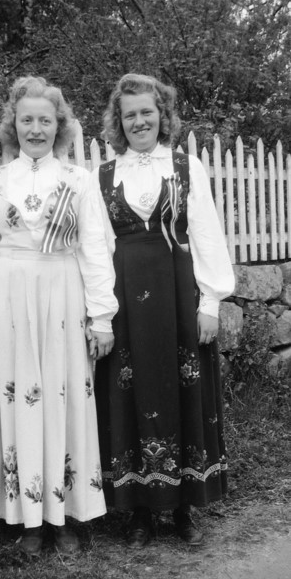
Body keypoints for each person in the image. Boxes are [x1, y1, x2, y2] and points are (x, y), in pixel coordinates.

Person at [0, 76, 118, 555]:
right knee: (18, 401)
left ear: (59, 126)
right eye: (27, 119)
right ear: (13, 125)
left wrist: (102, 316)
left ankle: (62, 515)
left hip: (64, 299)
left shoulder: (78, 181)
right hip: (8, 303)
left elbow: (96, 251)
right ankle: (26, 519)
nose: (36, 128)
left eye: (45, 120)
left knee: (62, 399)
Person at [91, 73, 235, 548]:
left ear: (162, 114)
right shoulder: (104, 176)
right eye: (129, 114)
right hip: (126, 298)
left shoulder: (185, 166)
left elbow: (207, 232)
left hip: (177, 295)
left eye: (147, 112)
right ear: (118, 121)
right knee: (130, 394)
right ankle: (139, 514)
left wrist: (210, 301)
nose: (139, 121)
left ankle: (185, 507)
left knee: (182, 390)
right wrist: (101, 312)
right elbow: (98, 246)